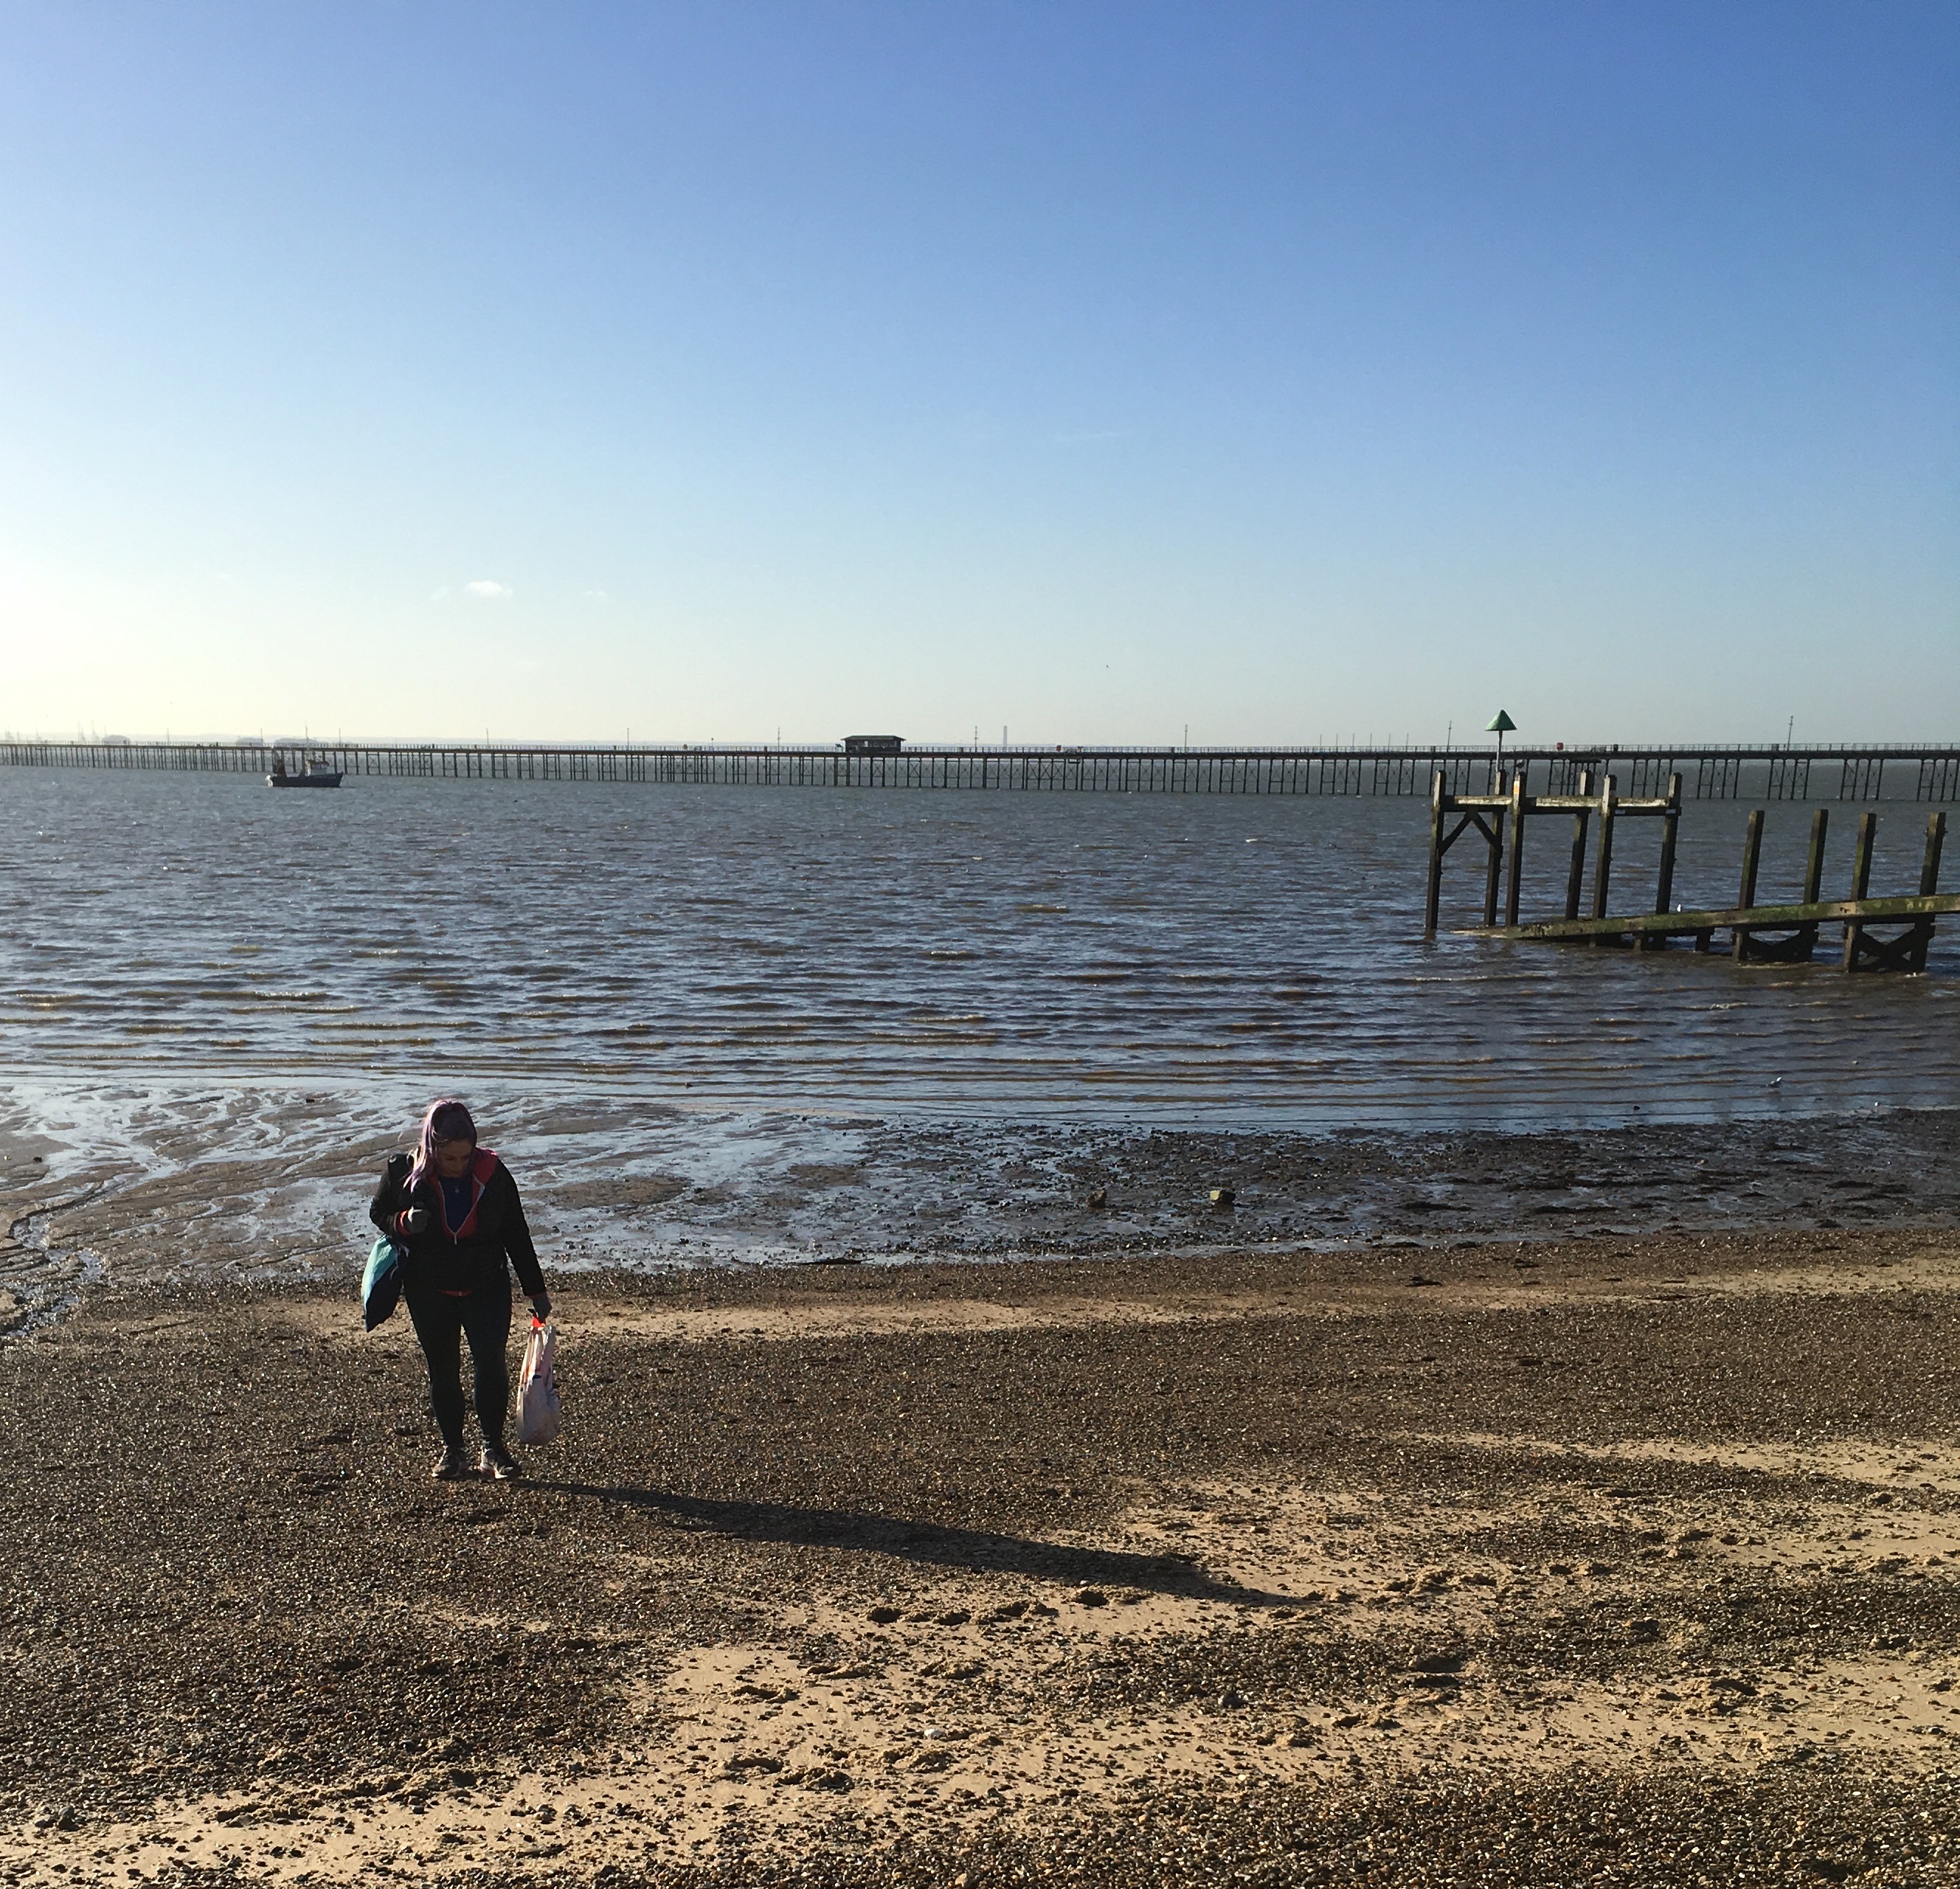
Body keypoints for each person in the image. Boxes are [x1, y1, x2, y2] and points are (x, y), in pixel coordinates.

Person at [369, 1098, 552, 1480]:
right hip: (428, 1288)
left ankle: (493, 1450)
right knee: (443, 1370)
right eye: (449, 1159)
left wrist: (536, 1291)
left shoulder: (493, 1172)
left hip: (487, 1285)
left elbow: (516, 1233)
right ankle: (454, 1451)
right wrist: (403, 1223)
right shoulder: (405, 1170)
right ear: (431, 1148)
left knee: (490, 1364)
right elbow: (379, 1214)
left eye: (465, 1158)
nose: (458, 1166)